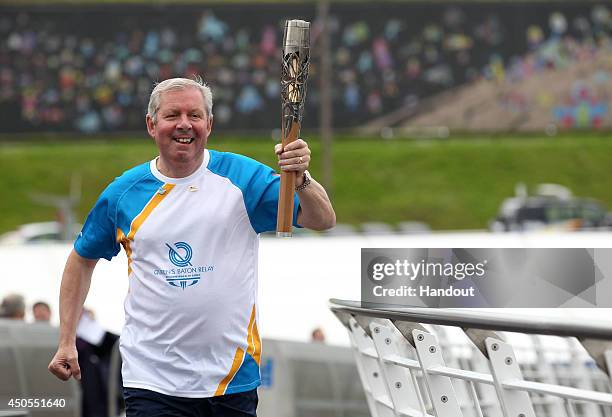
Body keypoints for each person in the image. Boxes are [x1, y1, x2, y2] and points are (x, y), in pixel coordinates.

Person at [48, 76, 335, 416]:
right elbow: (81, 259)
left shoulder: (242, 179)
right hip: (152, 381)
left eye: (195, 115)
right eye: (172, 115)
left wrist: (301, 178)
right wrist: (67, 340)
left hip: (231, 379)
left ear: (209, 125)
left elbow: (322, 219)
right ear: (151, 125)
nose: (184, 124)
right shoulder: (124, 193)